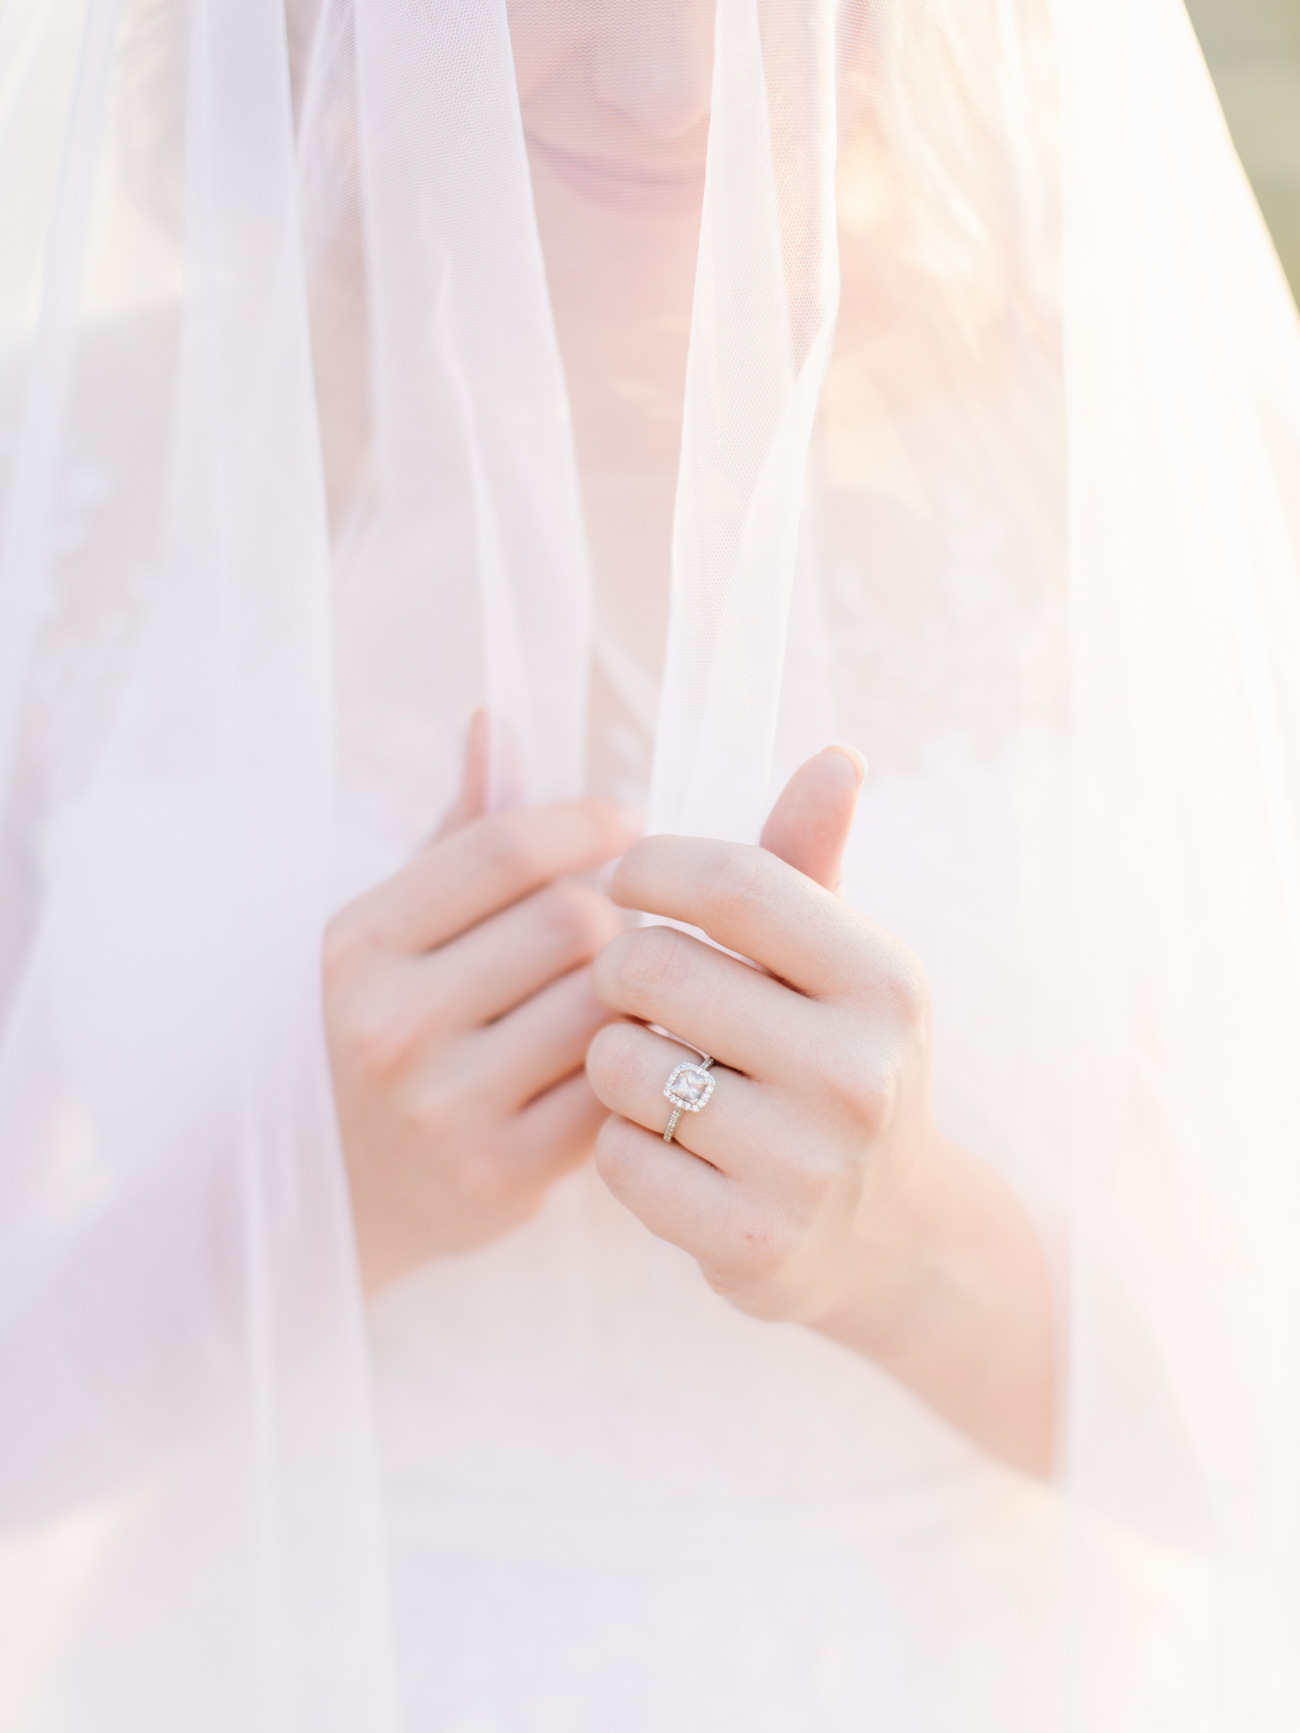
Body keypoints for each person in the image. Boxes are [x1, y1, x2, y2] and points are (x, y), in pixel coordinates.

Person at [2, 1, 1300, 1728]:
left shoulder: (1163, 498)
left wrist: (911, 1256)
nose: (667, 78)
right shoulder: (68, 492)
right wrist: (307, 1205)